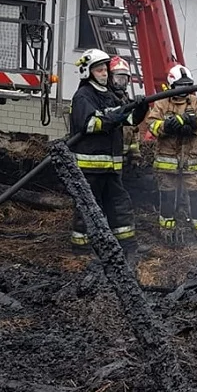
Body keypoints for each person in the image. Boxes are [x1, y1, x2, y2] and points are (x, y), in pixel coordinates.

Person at [69, 48, 149, 256]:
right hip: (91, 166)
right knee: (88, 207)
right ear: (87, 71)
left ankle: (128, 246)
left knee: (119, 205)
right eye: (98, 70)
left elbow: (129, 120)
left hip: (112, 166)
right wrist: (114, 117)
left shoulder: (111, 96)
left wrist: (140, 108)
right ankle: (82, 247)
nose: (104, 73)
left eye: (105, 69)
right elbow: (88, 124)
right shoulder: (83, 96)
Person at [145, 64, 197, 243]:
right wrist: (165, 126)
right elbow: (151, 125)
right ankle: (167, 231)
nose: (184, 90)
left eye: (187, 85)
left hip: (190, 161)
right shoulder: (161, 102)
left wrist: (195, 124)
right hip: (167, 161)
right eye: (180, 86)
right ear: (172, 85)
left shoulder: (196, 102)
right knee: (167, 195)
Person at [108, 56, 141, 165]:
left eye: (124, 80)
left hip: (123, 163)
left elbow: (133, 133)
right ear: (110, 78)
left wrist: (135, 158)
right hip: (106, 162)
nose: (121, 84)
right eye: (118, 79)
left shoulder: (126, 103)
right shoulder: (106, 100)